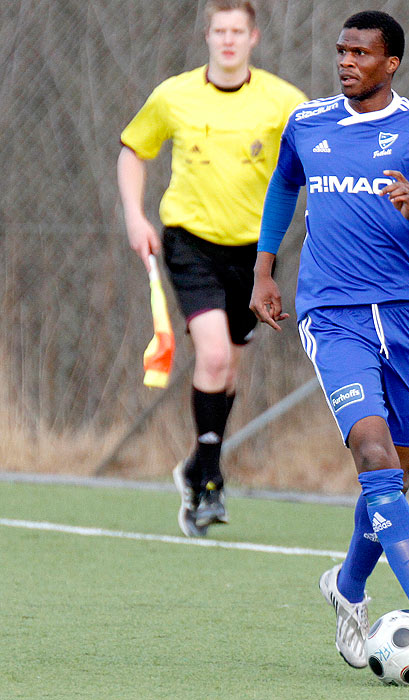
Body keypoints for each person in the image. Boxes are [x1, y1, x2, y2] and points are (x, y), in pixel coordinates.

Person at [250, 10, 409, 671]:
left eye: (361, 52)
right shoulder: (308, 122)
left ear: (392, 63)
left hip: (408, 315)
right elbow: (284, 184)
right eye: (341, 50)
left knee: (397, 477)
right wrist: (264, 271)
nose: (346, 61)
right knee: (373, 453)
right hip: (333, 313)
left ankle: (347, 587)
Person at [117, 0, 305, 537]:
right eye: (218, 31)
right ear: (207, 36)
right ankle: (211, 481)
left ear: (253, 38)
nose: (227, 40)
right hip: (189, 242)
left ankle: (195, 467)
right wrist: (136, 217)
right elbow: (134, 150)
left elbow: (316, 157)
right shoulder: (175, 94)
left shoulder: (281, 100)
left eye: (236, 31)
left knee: (228, 371)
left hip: (254, 253)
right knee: (214, 355)